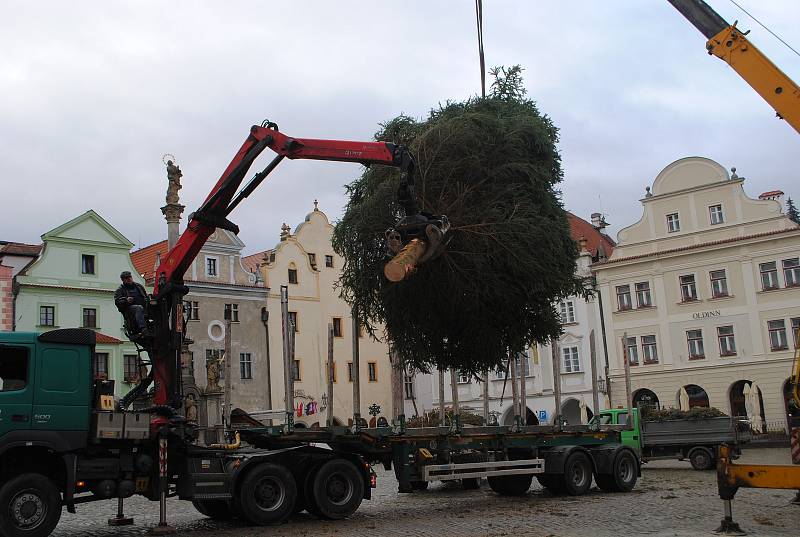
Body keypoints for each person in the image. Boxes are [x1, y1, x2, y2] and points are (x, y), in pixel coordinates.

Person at [114, 271, 149, 337]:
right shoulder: (120, 290)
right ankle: (143, 328)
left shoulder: (139, 286)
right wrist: (126, 300)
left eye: (130, 277)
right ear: (123, 280)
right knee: (138, 308)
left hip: (143, 308)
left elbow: (145, 296)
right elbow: (117, 301)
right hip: (129, 310)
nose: (129, 279)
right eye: (127, 278)